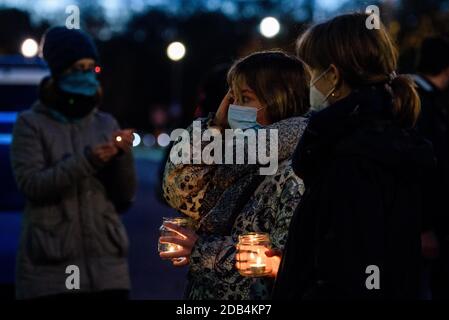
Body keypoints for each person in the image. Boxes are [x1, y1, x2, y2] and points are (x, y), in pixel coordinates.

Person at [273, 13, 435, 300]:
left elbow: (347, 272)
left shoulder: (351, 157)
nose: (308, 84)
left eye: (311, 72)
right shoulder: (389, 140)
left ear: (333, 76)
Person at [160, 51, 310, 299]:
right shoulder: (239, 152)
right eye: (232, 97)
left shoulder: (297, 167)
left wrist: (200, 250)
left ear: (278, 99)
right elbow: (179, 191)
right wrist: (215, 125)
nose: (233, 108)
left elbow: (286, 258)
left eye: (245, 98)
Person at [10, 27, 137, 299]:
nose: (87, 74)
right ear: (59, 71)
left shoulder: (106, 123)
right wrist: (88, 160)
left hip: (107, 272)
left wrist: (122, 156)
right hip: (51, 273)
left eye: (92, 67)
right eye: (79, 67)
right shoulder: (30, 124)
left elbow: (124, 197)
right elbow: (31, 186)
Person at [413, 36, 449, 299]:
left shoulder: (423, 98)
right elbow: (418, 168)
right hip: (425, 223)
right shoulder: (420, 103)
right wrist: (424, 226)